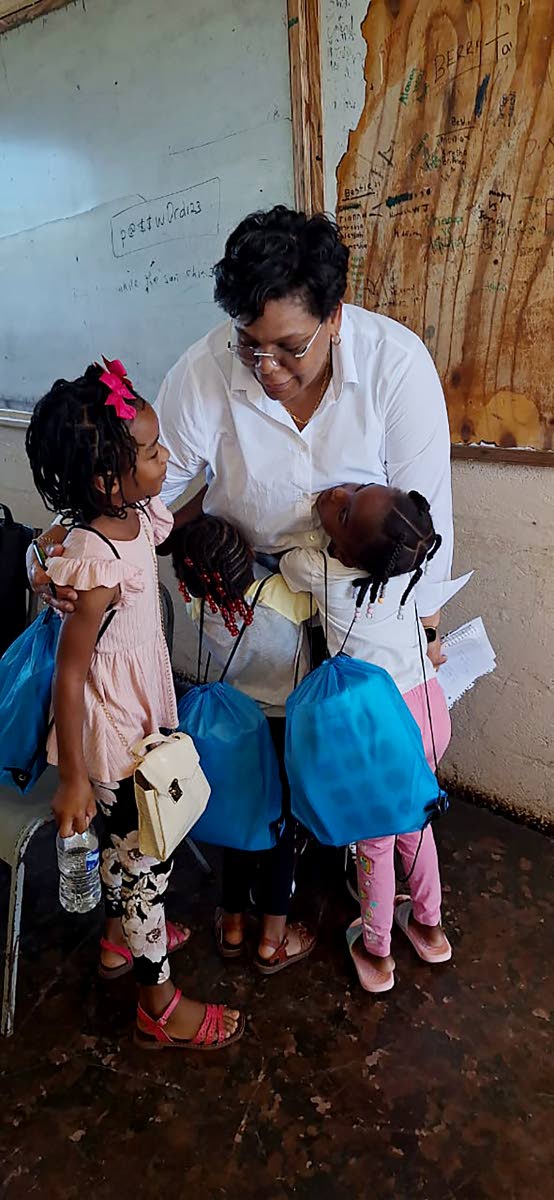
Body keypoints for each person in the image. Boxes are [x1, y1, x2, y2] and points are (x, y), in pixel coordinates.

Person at [29, 205, 454, 965]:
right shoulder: (201, 374)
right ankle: (259, 907)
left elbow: (420, 530)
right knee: (262, 765)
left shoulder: (397, 367)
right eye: (249, 345)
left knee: (361, 760)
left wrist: (417, 623)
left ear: (336, 313)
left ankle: (366, 876)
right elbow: (139, 500)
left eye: (289, 347)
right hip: (249, 603)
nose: (266, 369)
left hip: (365, 613)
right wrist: (59, 549)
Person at [25, 361, 243, 1050]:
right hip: (109, 736)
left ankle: (120, 939)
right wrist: (73, 778)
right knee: (144, 865)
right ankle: (158, 1001)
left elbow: (171, 519)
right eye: (152, 453)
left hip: (141, 710)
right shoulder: (91, 562)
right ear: (107, 481)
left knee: (146, 841)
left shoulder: (135, 516)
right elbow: (70, 674)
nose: (166, 458)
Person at [280, 483, 455, 994]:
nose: (338, 492)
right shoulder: (405, 571)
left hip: (381, 732)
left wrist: (321, 522)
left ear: (351, 548)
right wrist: (346, 524)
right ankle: (429, 926)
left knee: (374, 843)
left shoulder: (327, 574)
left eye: (347, 508)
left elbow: (290, 561)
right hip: (427, 713)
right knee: (417, 824)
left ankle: (376, 950)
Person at [172, 515, 314, 973]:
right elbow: (315, 592)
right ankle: (272, 939)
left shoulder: (203, 604)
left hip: (236, 727)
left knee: (241, 829)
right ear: (248, 557)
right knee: (281, 833)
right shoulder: (286, 598)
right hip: (282, 727)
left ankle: (231, 925)